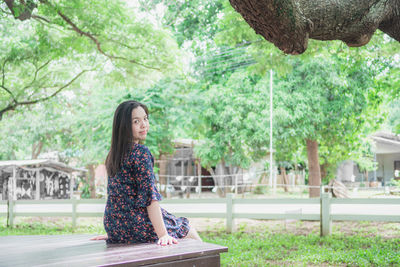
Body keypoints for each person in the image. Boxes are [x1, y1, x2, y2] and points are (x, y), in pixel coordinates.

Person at [91, 100, 201, 246]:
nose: (144, 125)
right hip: (137, 224)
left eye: (145, 119)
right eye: (136, 121)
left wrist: (115, 230)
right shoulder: (141, 153)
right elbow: (150, 198)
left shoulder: (113, 154)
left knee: (170, 219)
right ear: (123, 126)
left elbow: (116, 195)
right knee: (187, 228)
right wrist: (163, 234)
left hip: (114, 224)